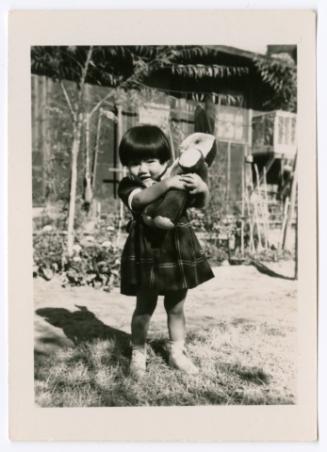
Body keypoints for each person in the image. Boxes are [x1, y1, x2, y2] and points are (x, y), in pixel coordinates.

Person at [118, 124, 215, 378]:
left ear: (166, 161)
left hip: (176, 248)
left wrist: (202, 188)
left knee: (176, 306)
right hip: (147, 250)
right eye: (134, 163)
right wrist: (167, 183)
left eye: (150, 161)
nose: (142, 169)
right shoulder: (128, 185)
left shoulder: (178, 176)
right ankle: (138, 353)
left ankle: (176, 352)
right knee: (144, 306)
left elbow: (201, 204)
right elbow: (140, 200)